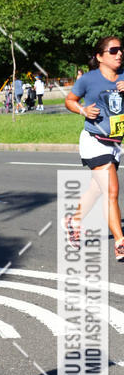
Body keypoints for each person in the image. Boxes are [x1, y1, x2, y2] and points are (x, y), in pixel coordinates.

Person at [64, 35, 124, 261]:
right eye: (114, 50)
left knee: (97, 190)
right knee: (111, 191)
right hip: (94, 141)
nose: (119, 54)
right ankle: (120, 241)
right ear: (100, 56)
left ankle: (74, 221)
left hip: (115, 143)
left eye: (121, 50)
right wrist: (83, 111)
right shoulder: (88, 80)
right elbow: (69, 100)